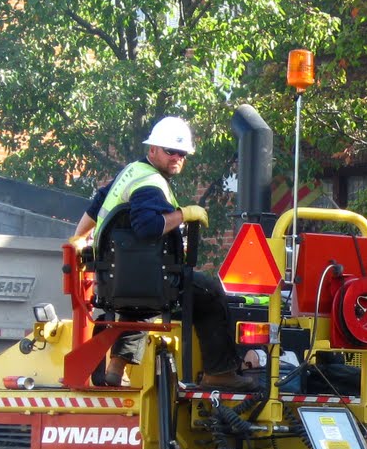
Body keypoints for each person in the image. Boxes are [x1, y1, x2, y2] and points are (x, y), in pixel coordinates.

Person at [70, 116, 256, 390]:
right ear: (153, 149)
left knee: (141, 301)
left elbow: (98, 203)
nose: (177, 158)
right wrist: (183, 214)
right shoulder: (151, 184)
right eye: (171, 151)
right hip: (148, 281)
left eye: (182, 153)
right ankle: (221, 373)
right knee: (211, 293)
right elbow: (147, 227)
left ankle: (115, 368)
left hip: (116, 280)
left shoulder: (132, 171)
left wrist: (78, 236)